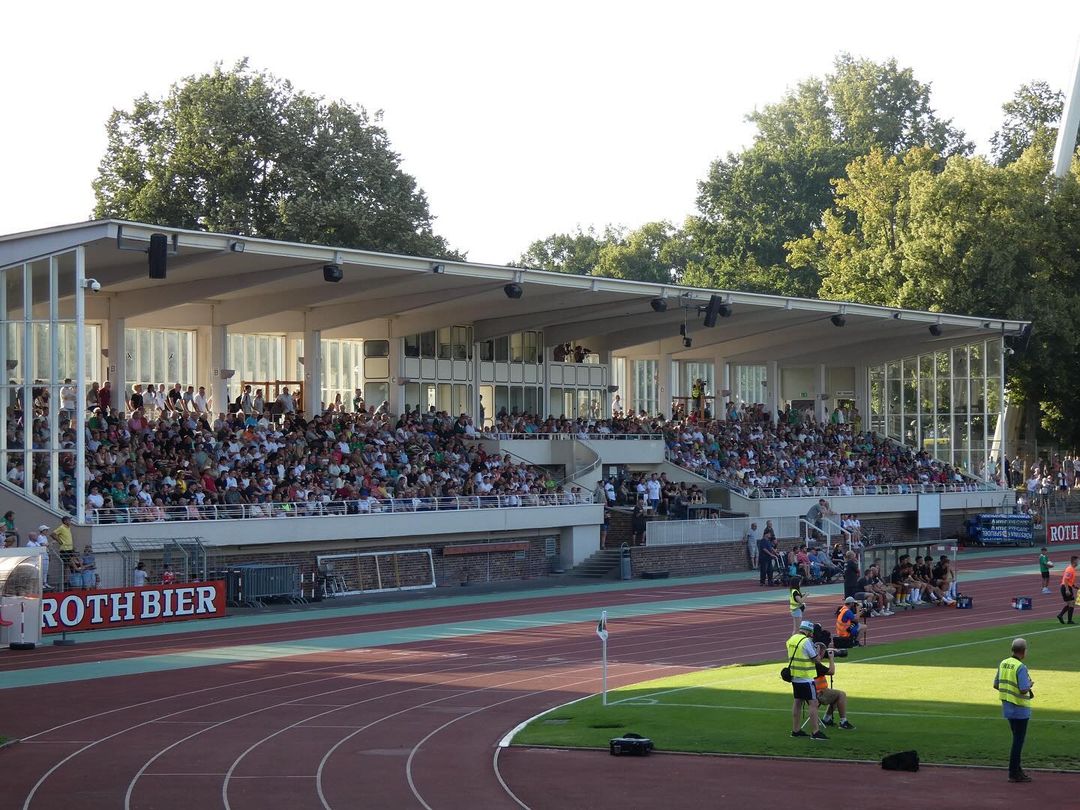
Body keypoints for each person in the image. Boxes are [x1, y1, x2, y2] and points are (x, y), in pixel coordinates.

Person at [993, 637, 1034, 783]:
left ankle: (1017, 770)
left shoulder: (1003, 663)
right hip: (1020, 709)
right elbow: (1023, 689)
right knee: (1018, 741)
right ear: (1024, 651)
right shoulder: (1021, 667)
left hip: (1008, 708)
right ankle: (1013, 772)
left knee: (1016, 739)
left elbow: (996, 684)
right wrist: (1030, 684)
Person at [786, 620, 827, 740]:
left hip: (795, 676)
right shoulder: (806, 641)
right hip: (806, 677)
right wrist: (819, 651)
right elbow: (816, 659)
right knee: (813, 703)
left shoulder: (791, 639)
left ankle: (795, 730)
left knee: (797, 702)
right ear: (809, 631)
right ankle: (815, 732)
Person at [813, 645, 855, 730]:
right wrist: (831, 658)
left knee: (836, 696)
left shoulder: (809, 663)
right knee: (841, 694)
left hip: (814, 692)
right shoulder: (816, 665)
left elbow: (818, 660)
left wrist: (824, 651)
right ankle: (843, 722)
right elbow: (831, 671)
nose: (822, 654)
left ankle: (826, 719)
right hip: (819, 693)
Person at [1057, 555, 1077, 625]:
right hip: (1066, 587)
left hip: (1067, 587)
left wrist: (1074, 586)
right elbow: (1065, 579)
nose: (1078, 562)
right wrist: (1067, 590)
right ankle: (1069, 620)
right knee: (1071, 603)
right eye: (1077, 561)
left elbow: (1069, 580)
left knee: (1070, 603)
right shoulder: (1070, 569)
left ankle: (1061, 615)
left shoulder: (1072, 569)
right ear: (1074, 561)